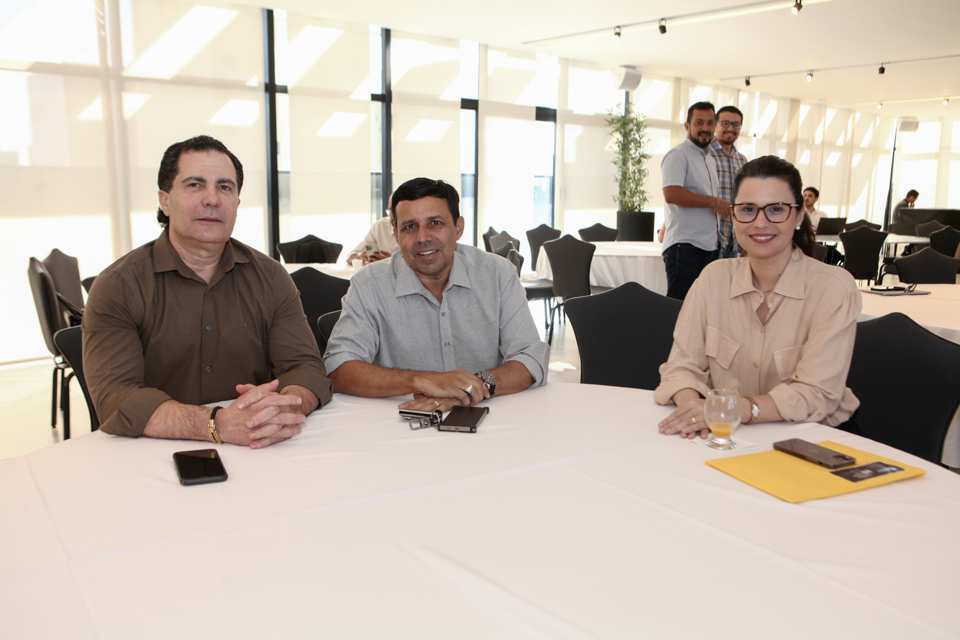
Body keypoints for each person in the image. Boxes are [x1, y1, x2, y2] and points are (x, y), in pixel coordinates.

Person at [82, 135, 332, 448]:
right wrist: (217, 424)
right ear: (165, 200)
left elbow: (306, 369)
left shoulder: (271, 277)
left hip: (257, 444)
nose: (212, 199)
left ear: (237, 205)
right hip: (152, 451)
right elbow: (115, 396)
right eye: (195, 185)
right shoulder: (119, 286)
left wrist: (282, 409)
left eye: (225, 187)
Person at [654, 155, 860, 438]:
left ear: (799, 216)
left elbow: (818, 394)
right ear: (734, 214)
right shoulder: (713, 278)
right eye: (748, 209)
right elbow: (681, 366)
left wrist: (727, 409)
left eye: (776, 210)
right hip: (723, 435)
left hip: (809, 440)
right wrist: (695, 412)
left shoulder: (834, 288)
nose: (760, 223)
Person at [324, 177, 549, 413]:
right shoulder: (368, 284)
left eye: (435, 223)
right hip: (398, 423)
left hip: (490, 419)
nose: (423, 237)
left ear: (458, 228)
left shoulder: (498, 274)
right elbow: (339, 368)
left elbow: (530, 358)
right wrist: (422, 381)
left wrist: (470, 388)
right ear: (397, 235)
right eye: (410, 226)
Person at [661, 101, 727, 300]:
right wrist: (714, 202)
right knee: (678, 310)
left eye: (710, 123)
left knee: (701, 310)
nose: (705, 128)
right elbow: (671, 194)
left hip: (708, 247)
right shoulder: (678, 154)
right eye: (699, 123)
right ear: (687, 126)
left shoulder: (709, 159)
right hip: (685, 246)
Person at [708, 105, 748, 259]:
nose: (731, 128)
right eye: (725, 123)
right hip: (711, 236)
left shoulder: (742, 159)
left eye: (736, 124)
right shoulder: (706, 154)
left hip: (734, 237)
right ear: (716, 124)